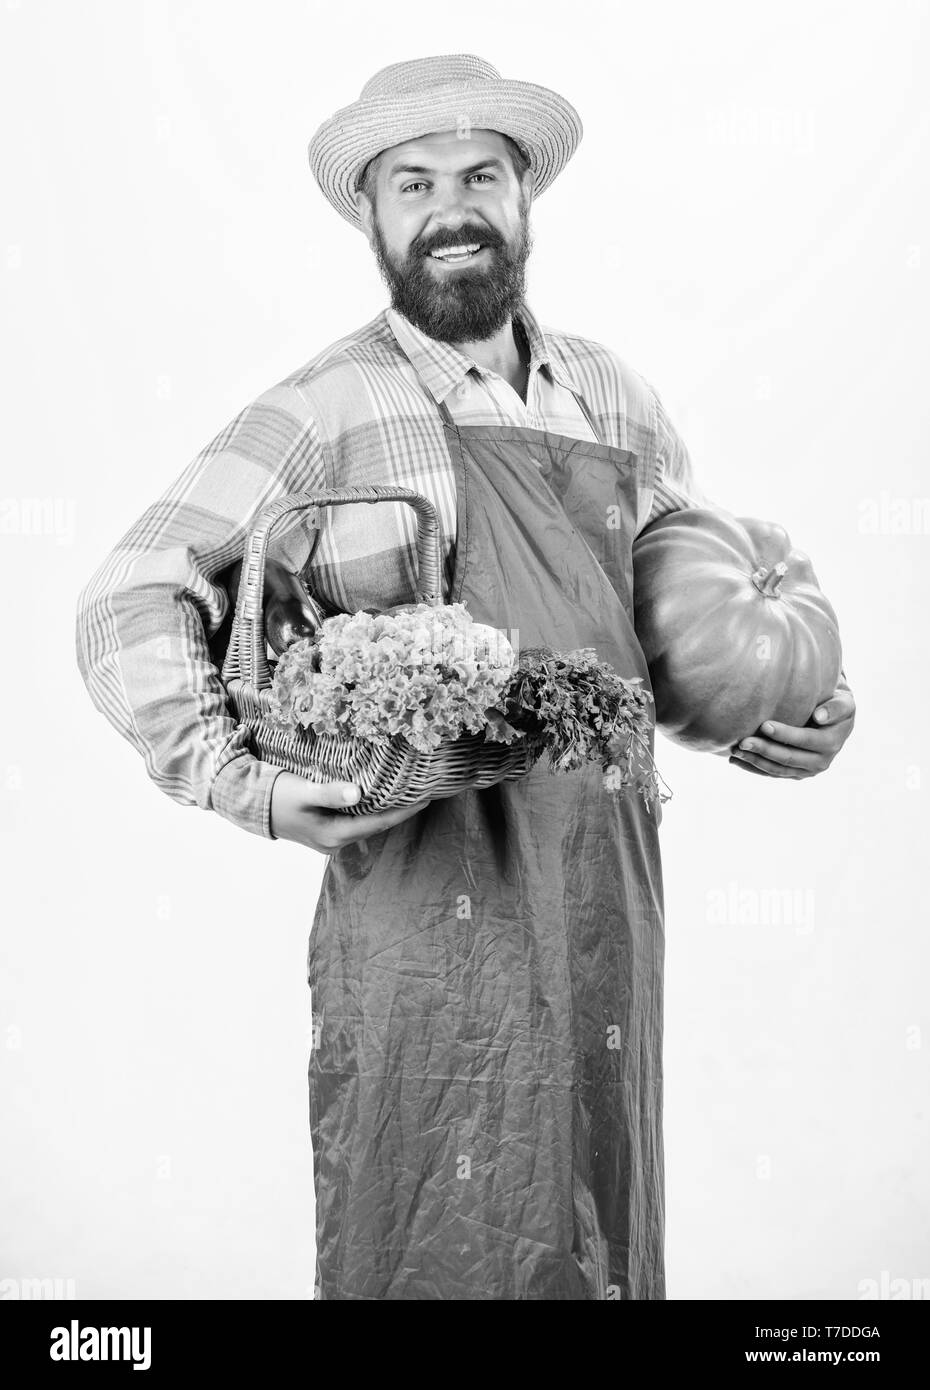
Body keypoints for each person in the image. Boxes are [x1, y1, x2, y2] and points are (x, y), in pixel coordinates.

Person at [75, 53, 856, 1300]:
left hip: (604, 896)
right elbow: (129, 595)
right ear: (374, 220)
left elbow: (688, 625)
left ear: (525, 198)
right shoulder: (327, 407)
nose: (452, 207)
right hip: (416, 911)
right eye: (413, 183)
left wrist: (797, 705)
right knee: (428, 1224)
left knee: (603, 1226)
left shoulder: (618, 398)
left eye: (481, 173)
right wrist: (245, 786)